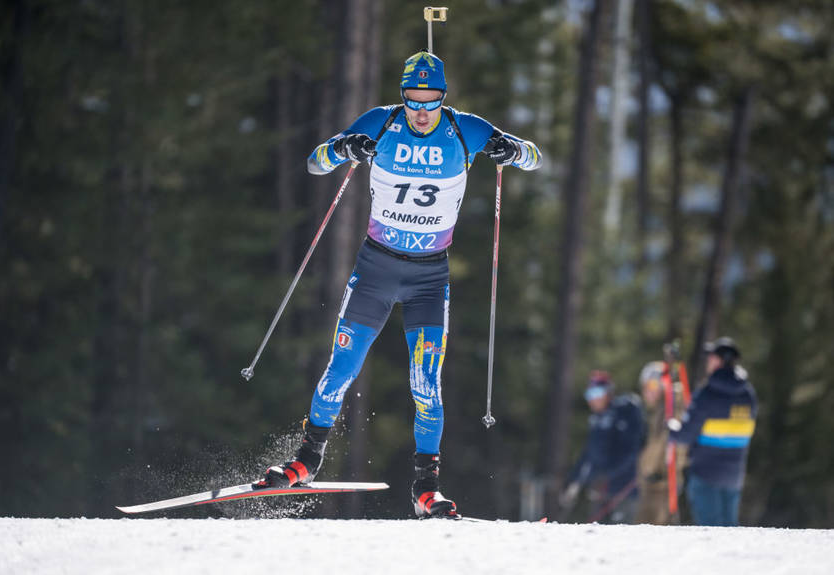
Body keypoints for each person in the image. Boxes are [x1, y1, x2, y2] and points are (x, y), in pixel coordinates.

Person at [252, 51, 542, 519]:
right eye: (413, 98)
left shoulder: (466, 128)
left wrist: (512, 150)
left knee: (426, 384)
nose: (422, 110)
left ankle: (426, 489)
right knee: (339, 370)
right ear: (402, 95)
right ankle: (307, 460)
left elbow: (533, 156)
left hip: (429, 278)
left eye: (431, 99)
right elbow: (314, 162)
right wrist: (345, 148)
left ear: (443, 96)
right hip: (376, 270)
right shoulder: (381, 122)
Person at [668, 337, 757, 526]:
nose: (708, 361)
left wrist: (671, 428)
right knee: (730, 528)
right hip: (734, 476)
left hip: (705, 474)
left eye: (711, 357)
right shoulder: (748, 394)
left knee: (711, 532)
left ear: (718, 361)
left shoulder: (707, 393)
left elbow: (685, 434)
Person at [560, 371, 644, 524]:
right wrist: (575, 481)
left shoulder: (623, 412)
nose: (593, 399)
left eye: (598, 392)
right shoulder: (596, 420)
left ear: (608, 392)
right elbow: (589, 454)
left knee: (621, 535)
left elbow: (631, 452)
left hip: (623, 490)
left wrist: (606, 475)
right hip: (600, 492)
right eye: (589, 394)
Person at [635, 361, 686, 524]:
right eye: (646, 386)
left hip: (663, 484)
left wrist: (661, 472)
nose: (649, 390)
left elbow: (676, 444)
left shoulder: (672, 408)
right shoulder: (657, 411)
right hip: (651, 482)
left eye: (654, 384)